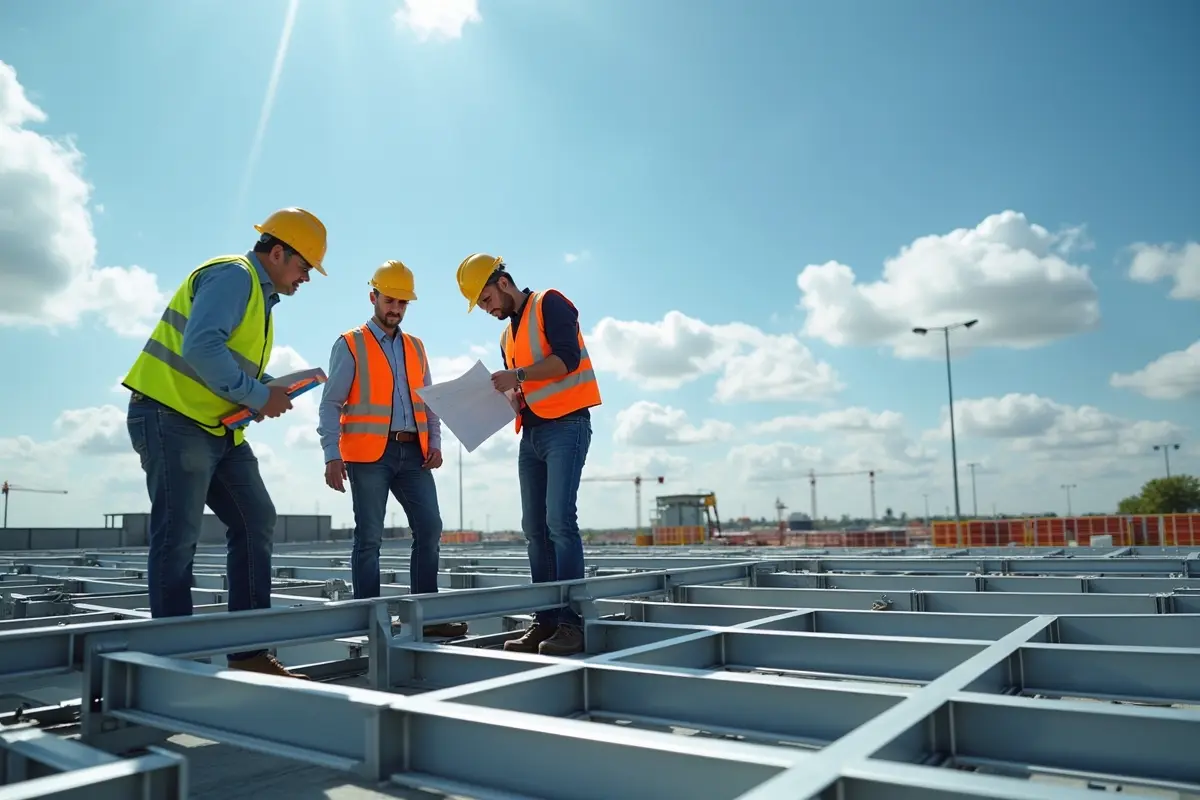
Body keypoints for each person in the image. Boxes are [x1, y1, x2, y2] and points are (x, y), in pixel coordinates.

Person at [121, 207, 328, 679]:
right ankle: (172, 663)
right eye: (304, 267)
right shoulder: (235, 277)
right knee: (177, 537)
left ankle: (250, 650)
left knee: (256, 518)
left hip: (218, 427)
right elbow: (201, 348)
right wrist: (259, 396)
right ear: (277, 252)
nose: (306, 278)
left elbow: (226, 360)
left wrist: (270, 388)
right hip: (172, 416)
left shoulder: (258, 294)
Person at [455, 253, 602, 656]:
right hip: (532, 433)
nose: (486, 309)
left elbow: (567, 360)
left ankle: (573, 624)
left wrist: (517, 376)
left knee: (559, 522)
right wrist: (509, 396)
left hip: (567, 426)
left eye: (485, 300)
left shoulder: (551, 302)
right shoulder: (507, 337)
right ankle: (547, 620)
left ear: (502, 283)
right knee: (534, 530)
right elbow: (526, 386)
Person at [317, 260, 468, 638]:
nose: (395, 309)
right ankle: (369, 622)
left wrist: (434, 441)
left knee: (430, 528)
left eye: (402, 302)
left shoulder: (416, 347)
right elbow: (330, 403)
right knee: (369, 537)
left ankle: (425, 617)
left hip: (413, 453)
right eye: (389, 300)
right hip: (369, 455)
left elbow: (429, 400)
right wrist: (331, 454)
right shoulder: (350, 344)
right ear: (373, 297)